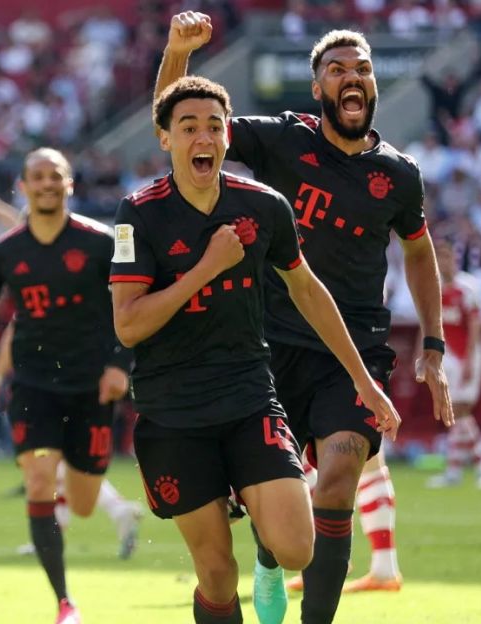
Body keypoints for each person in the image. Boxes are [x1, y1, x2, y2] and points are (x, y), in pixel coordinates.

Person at [157, 14, 452, 620]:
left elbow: (419, 252)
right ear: (317, 88)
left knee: (339, 477)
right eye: (336, 69)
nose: (352, 77)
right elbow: (184, 124)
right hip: (267, 350)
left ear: (372, 86)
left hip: (355, 353)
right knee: (277, 511)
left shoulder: (398, 175)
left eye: (362, 68)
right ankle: (268, 556)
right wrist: (177, 53)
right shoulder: (283, 140)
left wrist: (433, 343)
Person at [111, 76, 400, 624]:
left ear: (227, 137)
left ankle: (265, 552)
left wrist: (363, 380)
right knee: (217, 575)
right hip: (173, 412)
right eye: (189, 126)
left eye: (215, 126)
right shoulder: (139, 213)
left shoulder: (265, 206)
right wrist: (206, 268)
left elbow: (309, 291)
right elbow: (128, 326)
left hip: (248, 399)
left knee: (297, 547)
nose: (204, 137)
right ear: (165, 138)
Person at [0, 147, 132, 624]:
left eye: (57, 176)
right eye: (38, 176)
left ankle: (79, 481)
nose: (47, 183)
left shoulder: (100, 242)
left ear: (70, 185)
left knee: (86, 504)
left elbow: (129, 306)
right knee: (38, 480)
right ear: (23, 187)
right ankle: (64, 603)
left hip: (92, 387)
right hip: (32, 385)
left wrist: (119, 364)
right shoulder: (5, 251)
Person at [0, 176, 146, 559]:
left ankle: (104, 515)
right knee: (52, 466)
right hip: (51, 378)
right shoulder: (25, 267)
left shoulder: (73, 256)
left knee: (55, 464)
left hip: (78, 377)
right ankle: (71, 528)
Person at [426, 240, 481, 489]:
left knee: (460, 409)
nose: (443, 262)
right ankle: (461, 468)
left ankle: (479, 466)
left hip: (469, 353)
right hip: (449, 354)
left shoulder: (468, 287)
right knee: (454, 410)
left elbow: (476, 325)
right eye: (439, 257)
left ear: (454, 259)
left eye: (447, 257)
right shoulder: (434, 286)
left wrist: (469, 360)